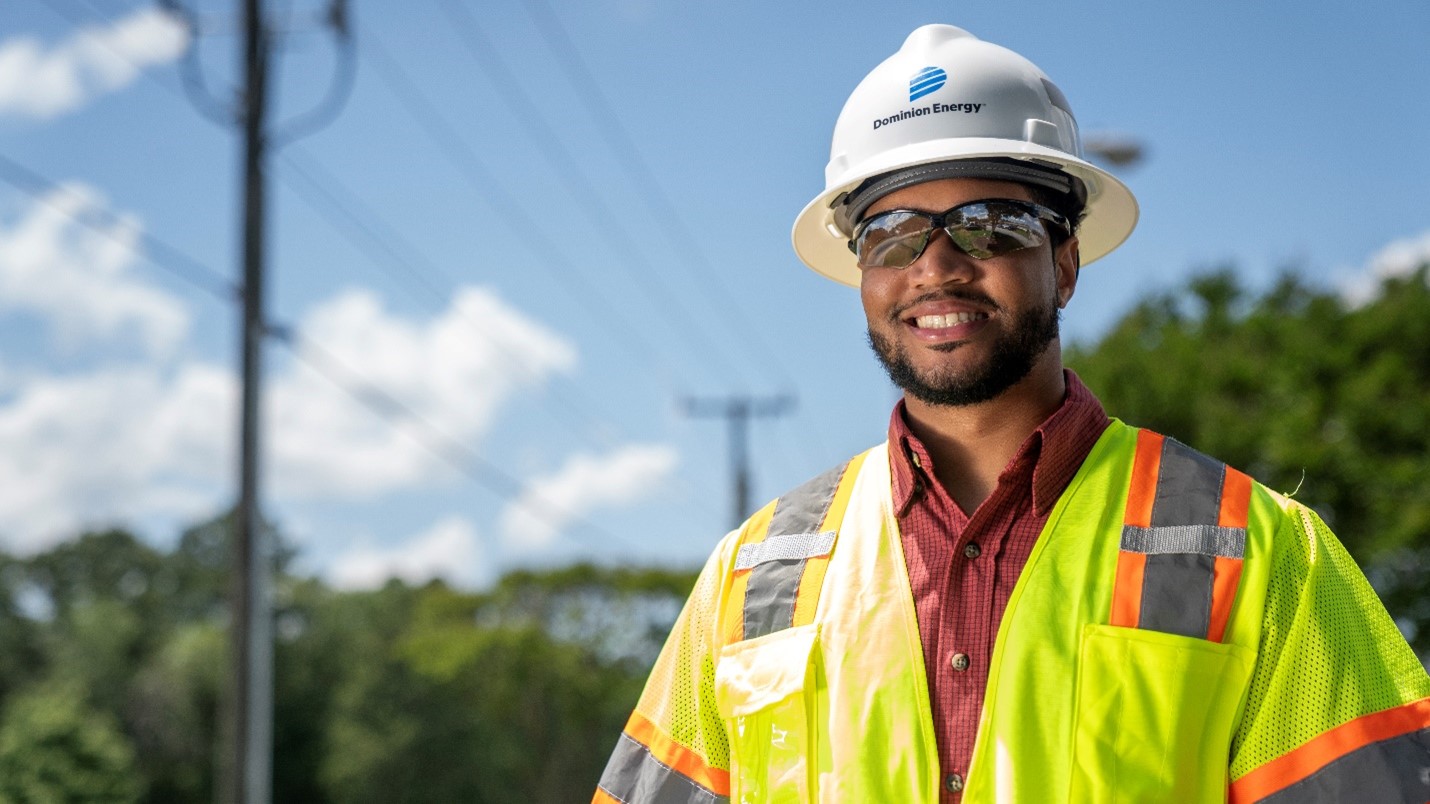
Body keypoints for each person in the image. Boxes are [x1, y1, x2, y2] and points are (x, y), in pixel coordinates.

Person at [594, 23, 1430, 804]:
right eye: (891, 234)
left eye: (990, 226)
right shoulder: (753, 579)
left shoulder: (1263, 555)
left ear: (1064, 262)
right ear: (862, 275)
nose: (937, 267)